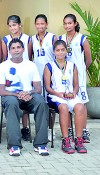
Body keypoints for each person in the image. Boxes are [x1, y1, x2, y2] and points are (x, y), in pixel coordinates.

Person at [0, 38, 49, 156]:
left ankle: (41, 144)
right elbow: (1, 91)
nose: (16, 50)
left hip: (29, 96)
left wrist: (28, 93)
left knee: (41, 101)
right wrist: (18, 94)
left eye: (18, 47)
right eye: (13, 48)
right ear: (9, 51)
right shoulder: (3, 66)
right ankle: (14, 145)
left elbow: (38, 88)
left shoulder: (31, 65)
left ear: (23, 49)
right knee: (11, 103)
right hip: (11, 97)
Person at [44, 40, 87, 154]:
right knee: (63, 107)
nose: (60, 52)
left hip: (70, 95)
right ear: (54, 52)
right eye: (58, 50)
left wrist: (74, 92)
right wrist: (58, 94)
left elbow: (76, 85)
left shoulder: (72, 66)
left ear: (66, 50)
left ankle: (78, 140)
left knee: (80, 107)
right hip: (55, 96)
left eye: (63, 50)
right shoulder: (49, 66)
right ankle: (66, 140)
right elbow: (47, 87)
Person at [58, 14, 92, 142]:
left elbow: (88, 59)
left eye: (70, 23)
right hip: (66, 75)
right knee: (67, 101)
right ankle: (70, 130)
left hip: (79, 77)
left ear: (75, 24)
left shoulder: (82, 38)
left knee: (81, 103)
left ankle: (84, 131)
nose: (67, 26)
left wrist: (81, 70)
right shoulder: (61, 38)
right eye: (65, 23)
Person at [1, 15, 33, 142]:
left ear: (20, 25)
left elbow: (29, 56)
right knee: (14, 100)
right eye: (10, 25)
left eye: (15, 25)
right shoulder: (5, 39)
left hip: (24, 71)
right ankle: (14, 128)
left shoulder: (27, 38)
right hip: (11, 72)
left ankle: (25, 128)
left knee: (25, 97)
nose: (12, 27)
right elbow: (4, 57)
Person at [32, 14, 57, 140]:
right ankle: (40, 130)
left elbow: (58, 55)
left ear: (46, 24)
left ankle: (50, 130)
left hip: (50, 75)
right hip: (37, 76)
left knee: (50, 105)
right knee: (40, 104)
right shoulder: (32, 39)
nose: (40, 26)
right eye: (38, 24)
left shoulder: (52, 37)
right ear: (35, 25)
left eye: (42, 23)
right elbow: (31, 57)